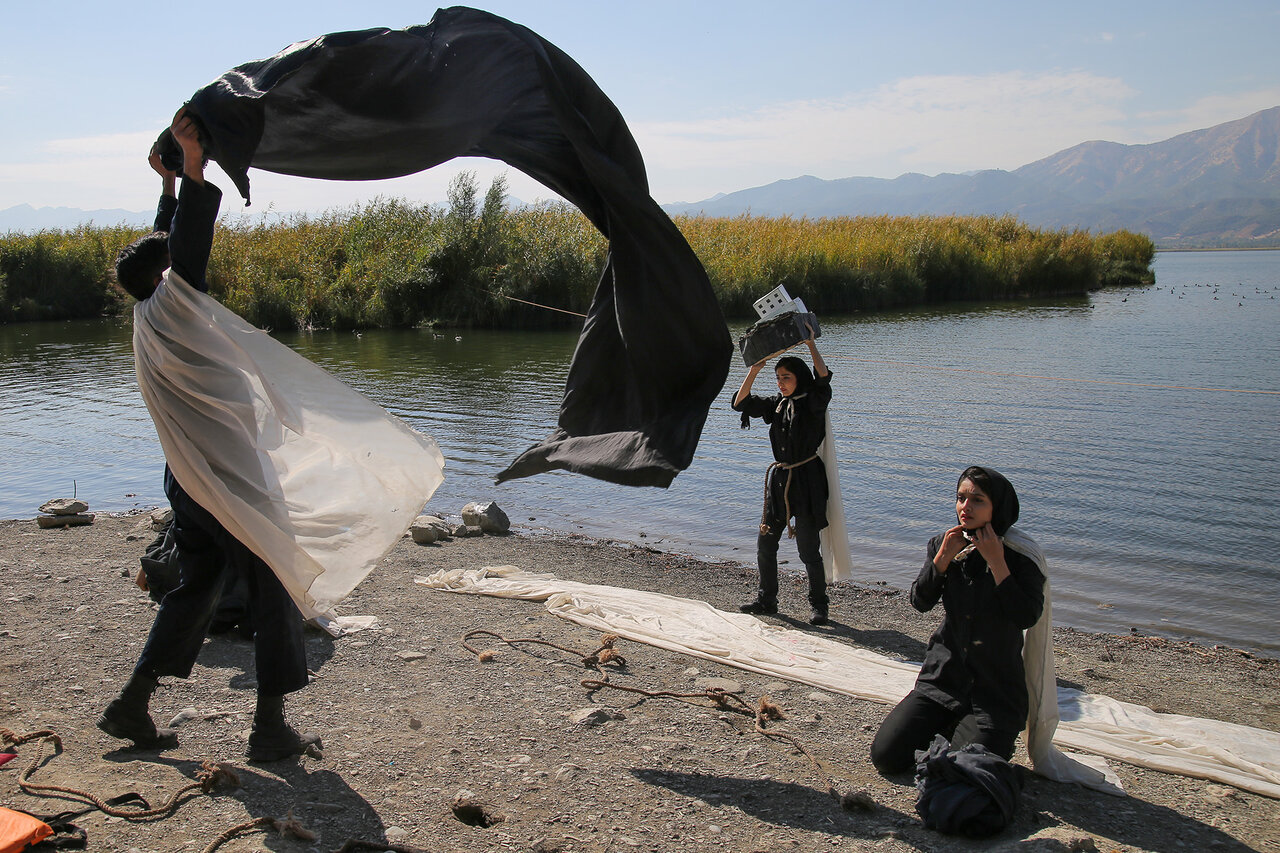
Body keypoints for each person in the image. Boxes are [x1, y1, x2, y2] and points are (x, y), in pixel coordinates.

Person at [100, 107, 319, 762]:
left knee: (197, 582)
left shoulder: (149, 310)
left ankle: (132, 704)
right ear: (168, 278)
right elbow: (187, 247)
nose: (178, 266)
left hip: (188, 475)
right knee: (274, 577)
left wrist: (166, 187)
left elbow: (163, 247)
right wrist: (193, 168)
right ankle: (270, 726)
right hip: (223, 477)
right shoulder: (177, 300)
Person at [870, 466, 1045, 774]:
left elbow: (1026, 616)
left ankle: (983, 737)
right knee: (886, 756)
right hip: (944, 678)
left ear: (997, 506)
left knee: (964, 770)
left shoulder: (1020, 556)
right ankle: (950, 728)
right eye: (961, 498)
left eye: (977, 500)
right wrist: (942, 560)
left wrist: (996, 562)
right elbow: (920, 602)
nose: (966, 507)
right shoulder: (946, 543)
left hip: (995, 689)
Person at [731, 333, 833, 625]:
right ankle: (767, 600)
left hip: (808, 481)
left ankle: (819, 605)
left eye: (785, 377)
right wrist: (754, 369)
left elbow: (823, 378)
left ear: (799, 377)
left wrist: (811, 345)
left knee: (807, 550)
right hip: (779, 482)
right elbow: (740, 403)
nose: (780, 382)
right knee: (766, 544)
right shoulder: (777, 404)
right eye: (777, 377)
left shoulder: (814, 402)